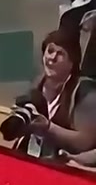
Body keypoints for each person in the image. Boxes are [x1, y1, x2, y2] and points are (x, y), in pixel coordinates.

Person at [7, 30, 81, 159]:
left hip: (60, 162)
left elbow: (85, 141)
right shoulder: (34, 87)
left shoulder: (81, 94)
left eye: (60, 54)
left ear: (72, 63)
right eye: (50, 51)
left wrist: (48, 128)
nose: (52, 58)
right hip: (27, 156)